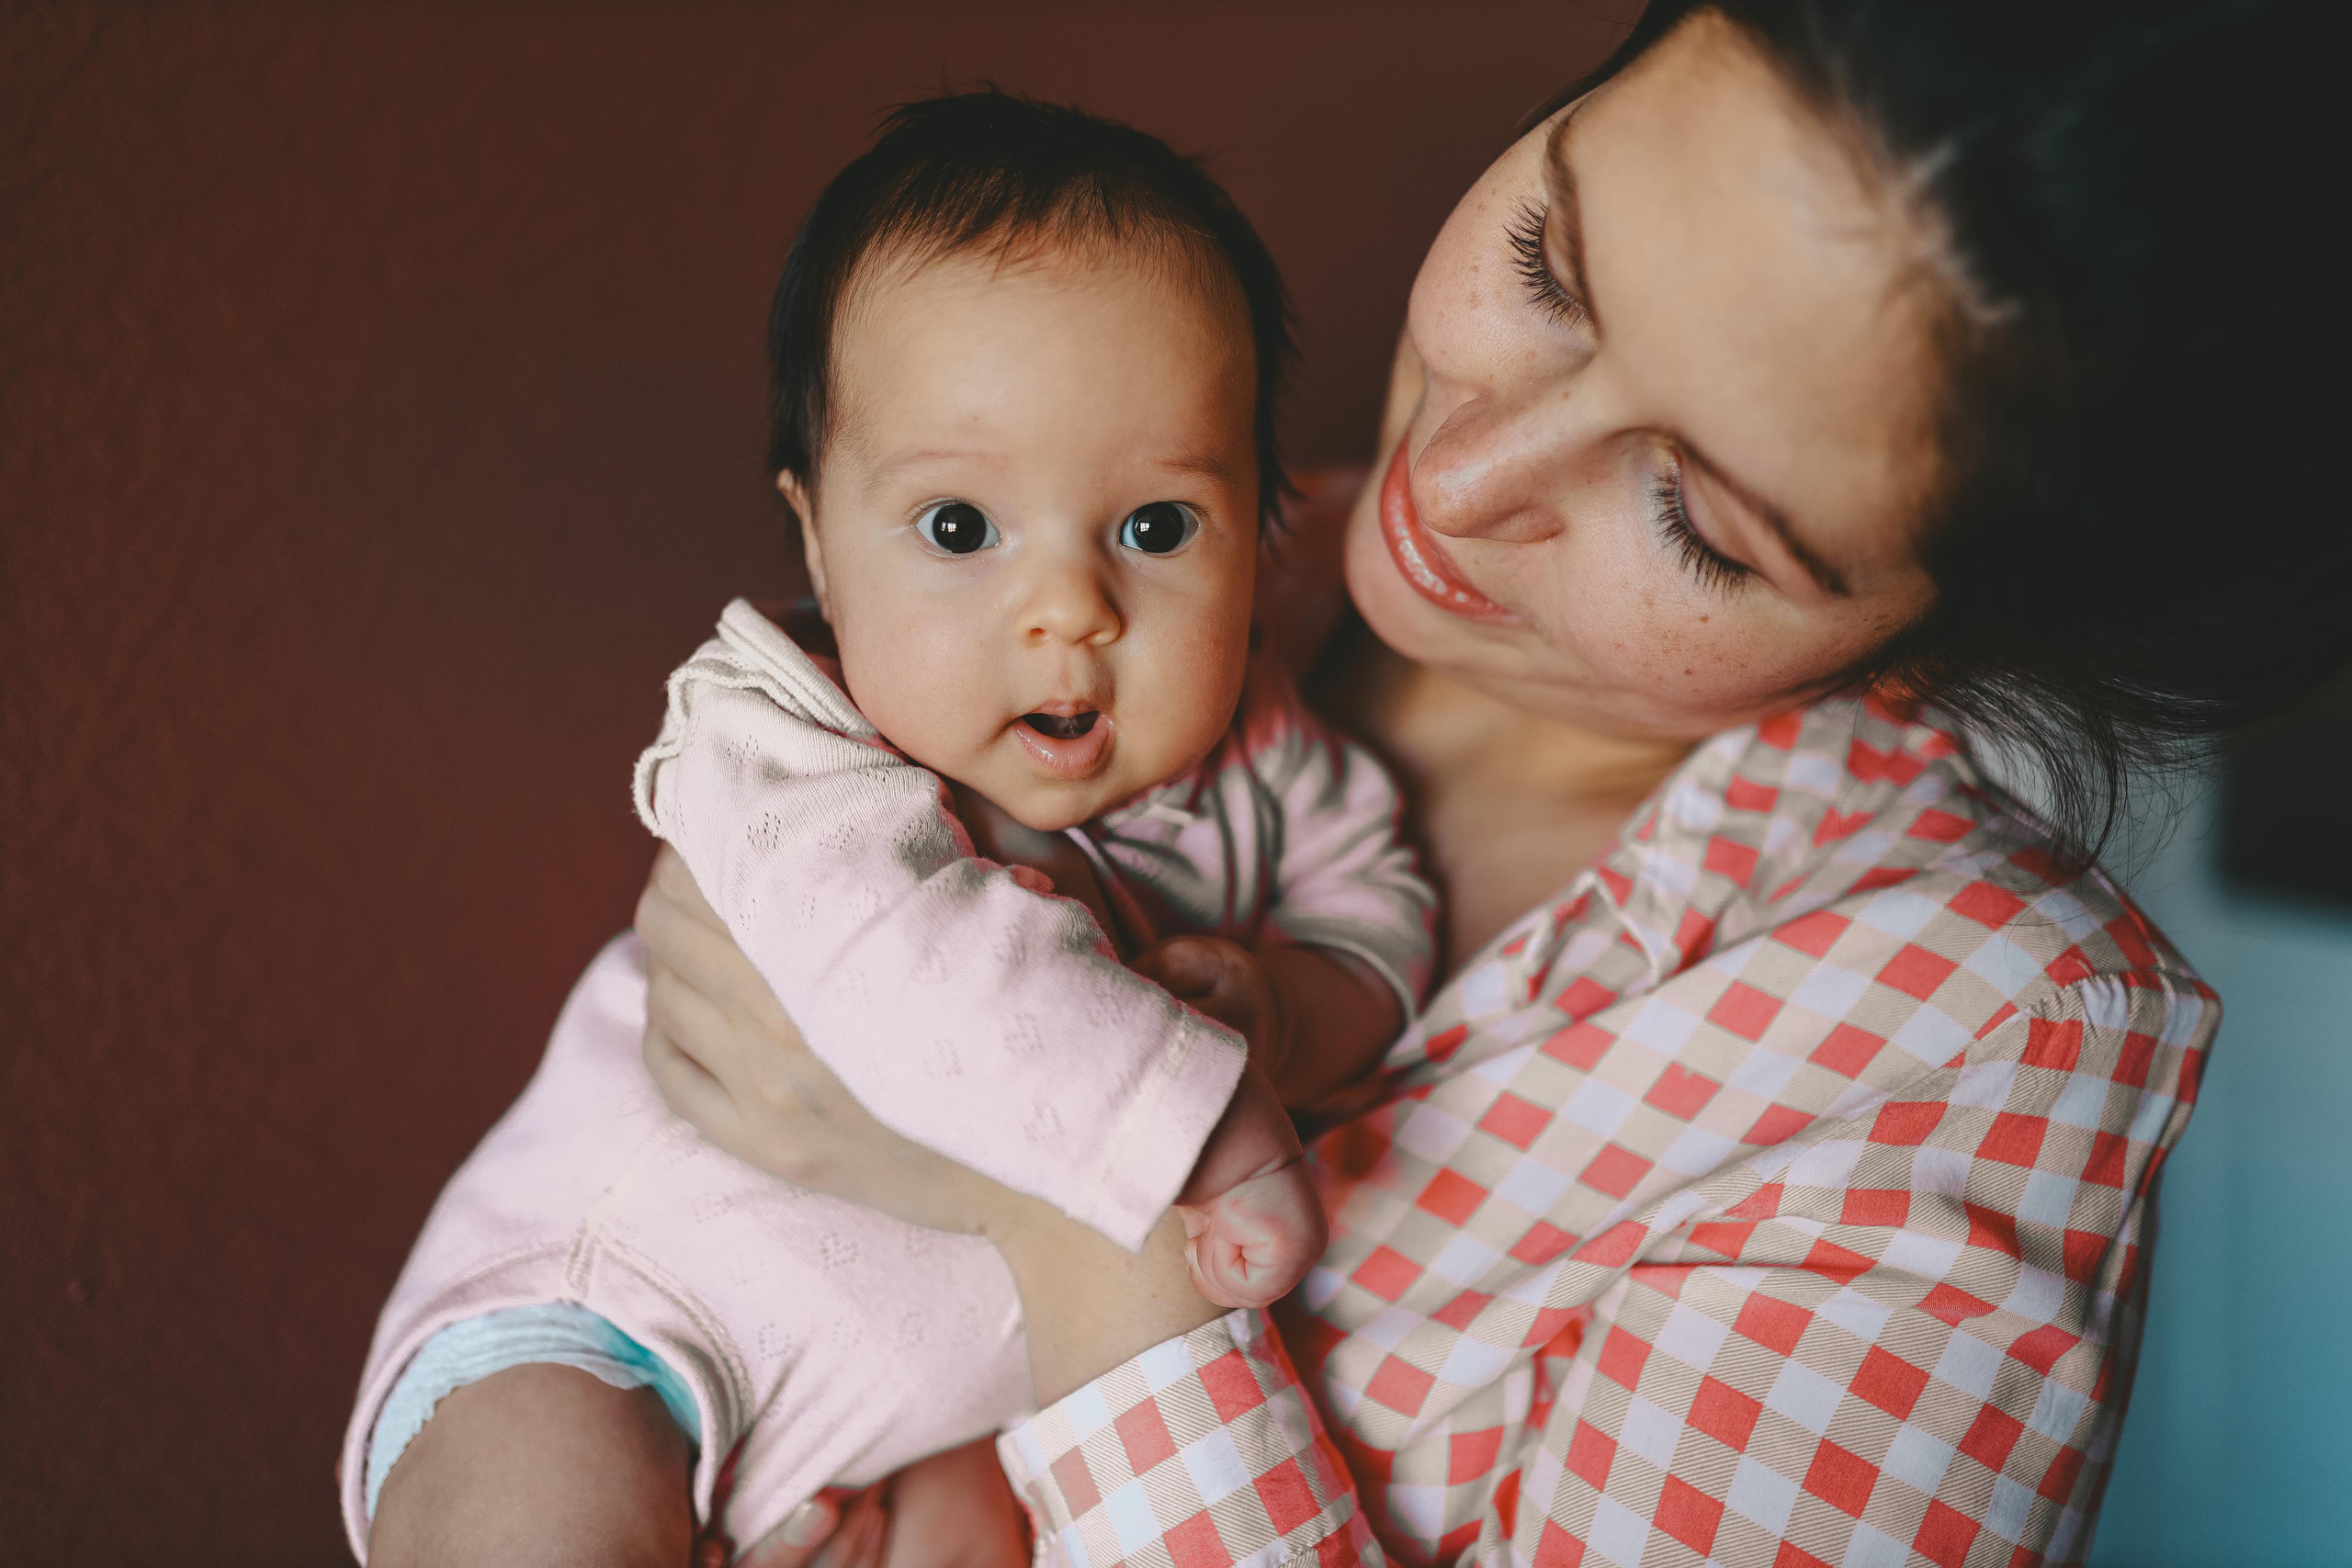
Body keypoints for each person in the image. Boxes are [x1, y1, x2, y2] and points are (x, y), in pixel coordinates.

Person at [384, 0, 2349, 1563]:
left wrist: (1072, 1205)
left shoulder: (1974, 1037)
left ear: (1947, 631)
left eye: (1692, 516)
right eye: (1544, 256)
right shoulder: (1188, 558)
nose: (1457, 479)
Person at [344, 94, 1442, 1562]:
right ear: (814, 537)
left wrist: (1295, 1008)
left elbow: (1381, 901)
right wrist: (1214, 1115)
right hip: (625, 1323)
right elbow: (913, 965)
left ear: (1265, 523)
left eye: (1158, 526)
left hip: (923, 1434)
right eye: (958, 529)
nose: (1070, 608)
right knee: (535, 1509)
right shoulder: (781, 738)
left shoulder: (1272, 750)